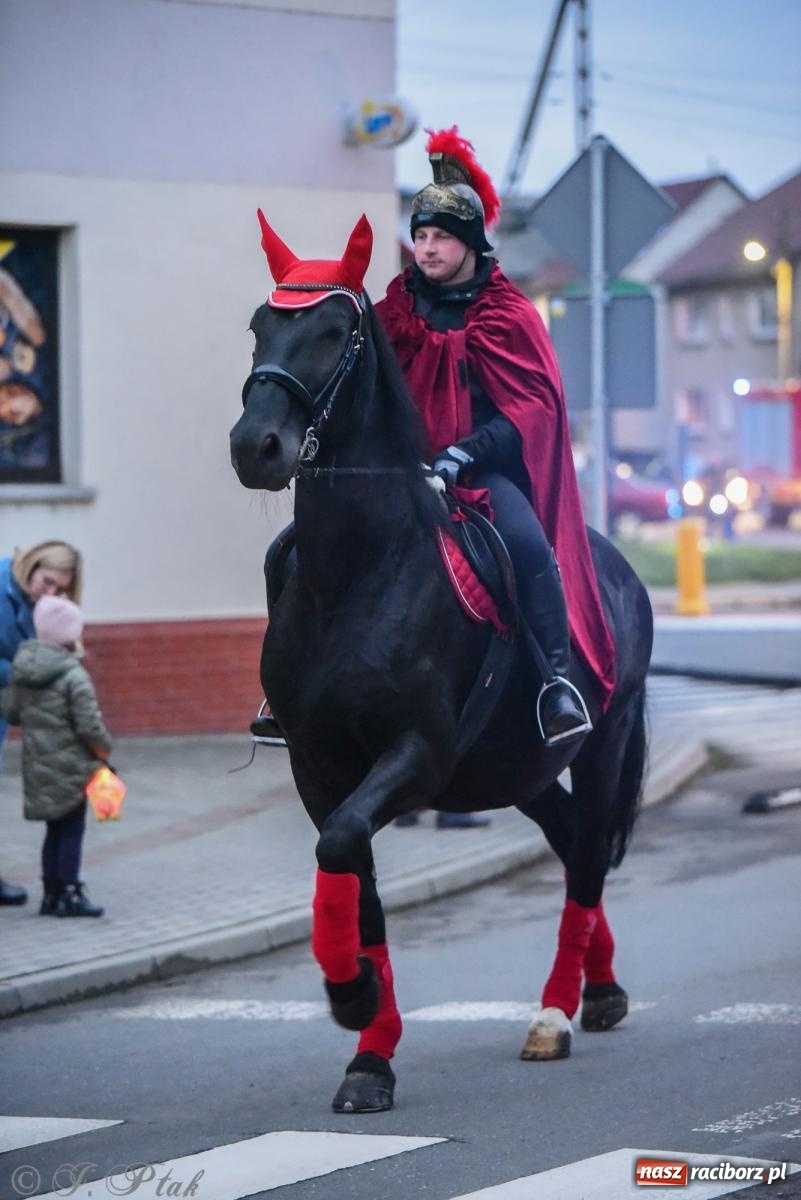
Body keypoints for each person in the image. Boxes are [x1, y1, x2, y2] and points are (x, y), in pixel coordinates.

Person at [375, 126, 616, 748]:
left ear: (470, 243)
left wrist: (462, 455)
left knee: (529, 548)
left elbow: (533, 408)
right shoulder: (397, 307)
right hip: (402, 474)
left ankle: (556, 683)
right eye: (420, 236)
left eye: (441, 238)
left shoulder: (506, 313)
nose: (426, 249)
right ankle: (293, 687)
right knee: (312, 540)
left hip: (484, 474)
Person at [0, 593, 109, 917]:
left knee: (53, 831)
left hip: (39, 768)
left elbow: (12, 711)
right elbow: (90, 725)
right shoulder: (74, 676)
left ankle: (50, 893)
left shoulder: (23, 671)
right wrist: (105, 747)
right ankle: (70, 893)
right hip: (73, 768)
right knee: (72, 830)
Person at [0, 540, 82, 905]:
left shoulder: (44, 606)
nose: (51, 593)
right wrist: (26, 672)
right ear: (31, 567)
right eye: (47, 582)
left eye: (61, 589)